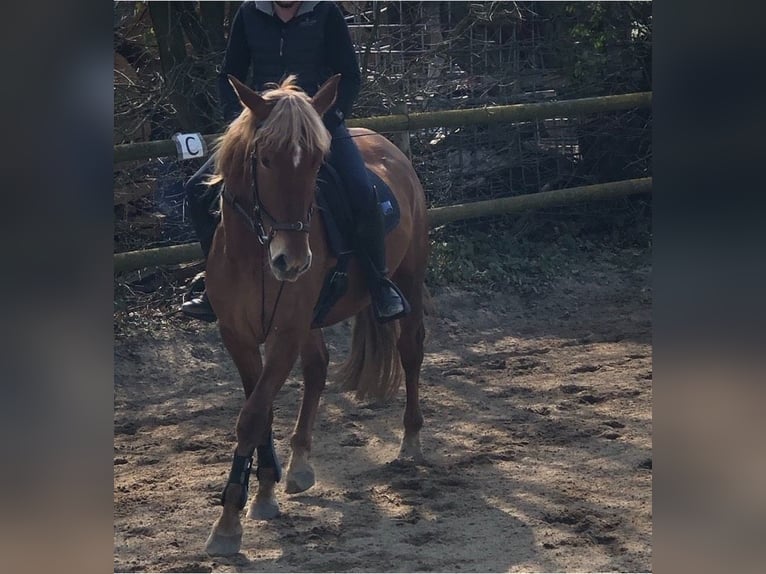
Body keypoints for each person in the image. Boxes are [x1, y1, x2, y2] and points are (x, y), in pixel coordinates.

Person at [181, 0, 408, 324]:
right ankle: (213, 283)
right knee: (197, 190)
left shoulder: (326, 12)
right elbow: (229, 76)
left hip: (317, 124)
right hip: (263, 129)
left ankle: (379, 282)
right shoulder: (248, 13)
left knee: (361, 189)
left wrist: (324, 124)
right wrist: (242, 126)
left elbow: (349, 78)